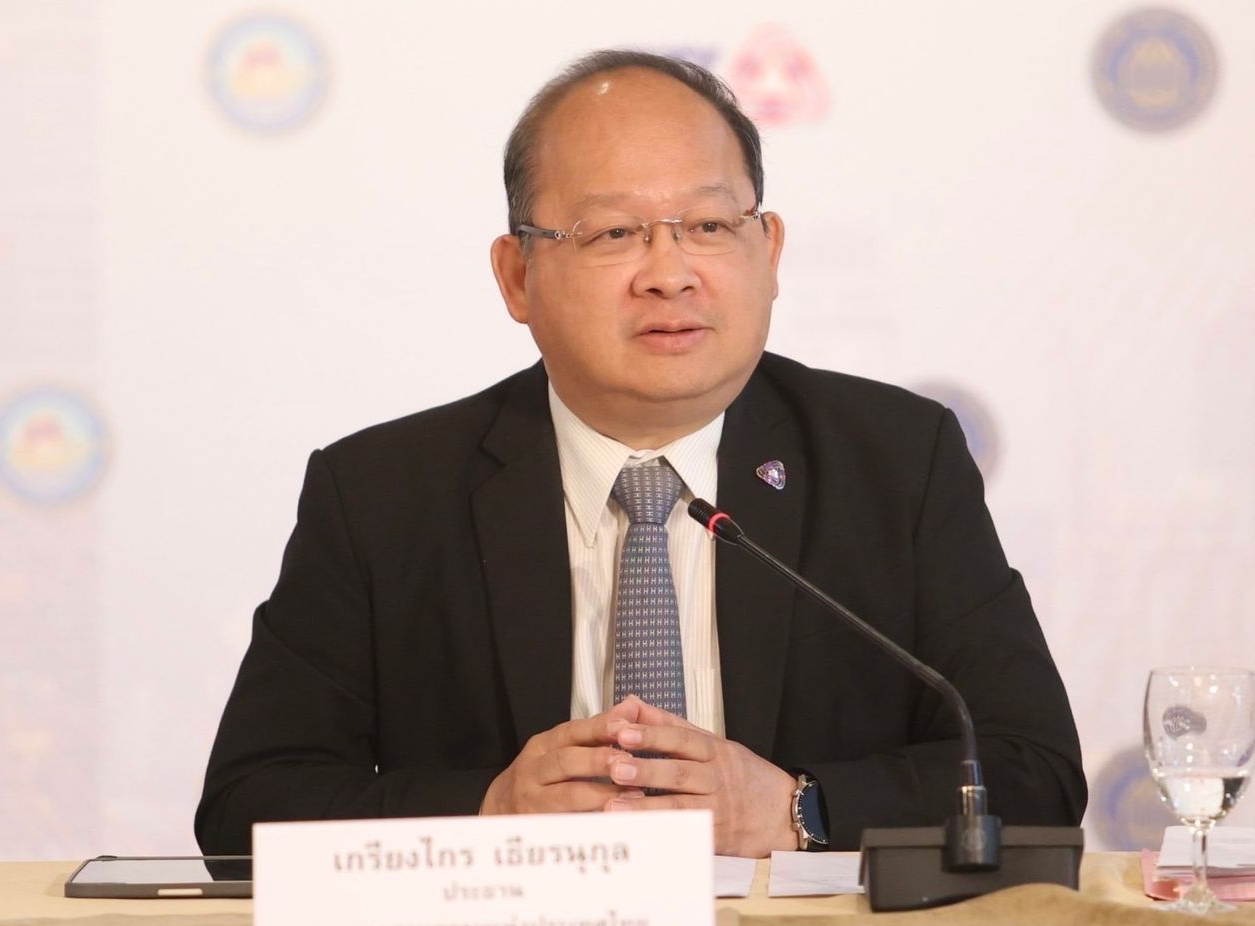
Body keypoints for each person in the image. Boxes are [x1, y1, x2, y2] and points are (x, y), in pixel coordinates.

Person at [195, 51, 1086, 858]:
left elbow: (1032, 771)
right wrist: (489, 813)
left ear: (769, 251)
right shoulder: (381, 496)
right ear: (517, 275)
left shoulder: (898, 461)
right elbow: (248, 805)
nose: (670, 272)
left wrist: (799, 808)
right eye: (615, 233)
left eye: (709, 225)